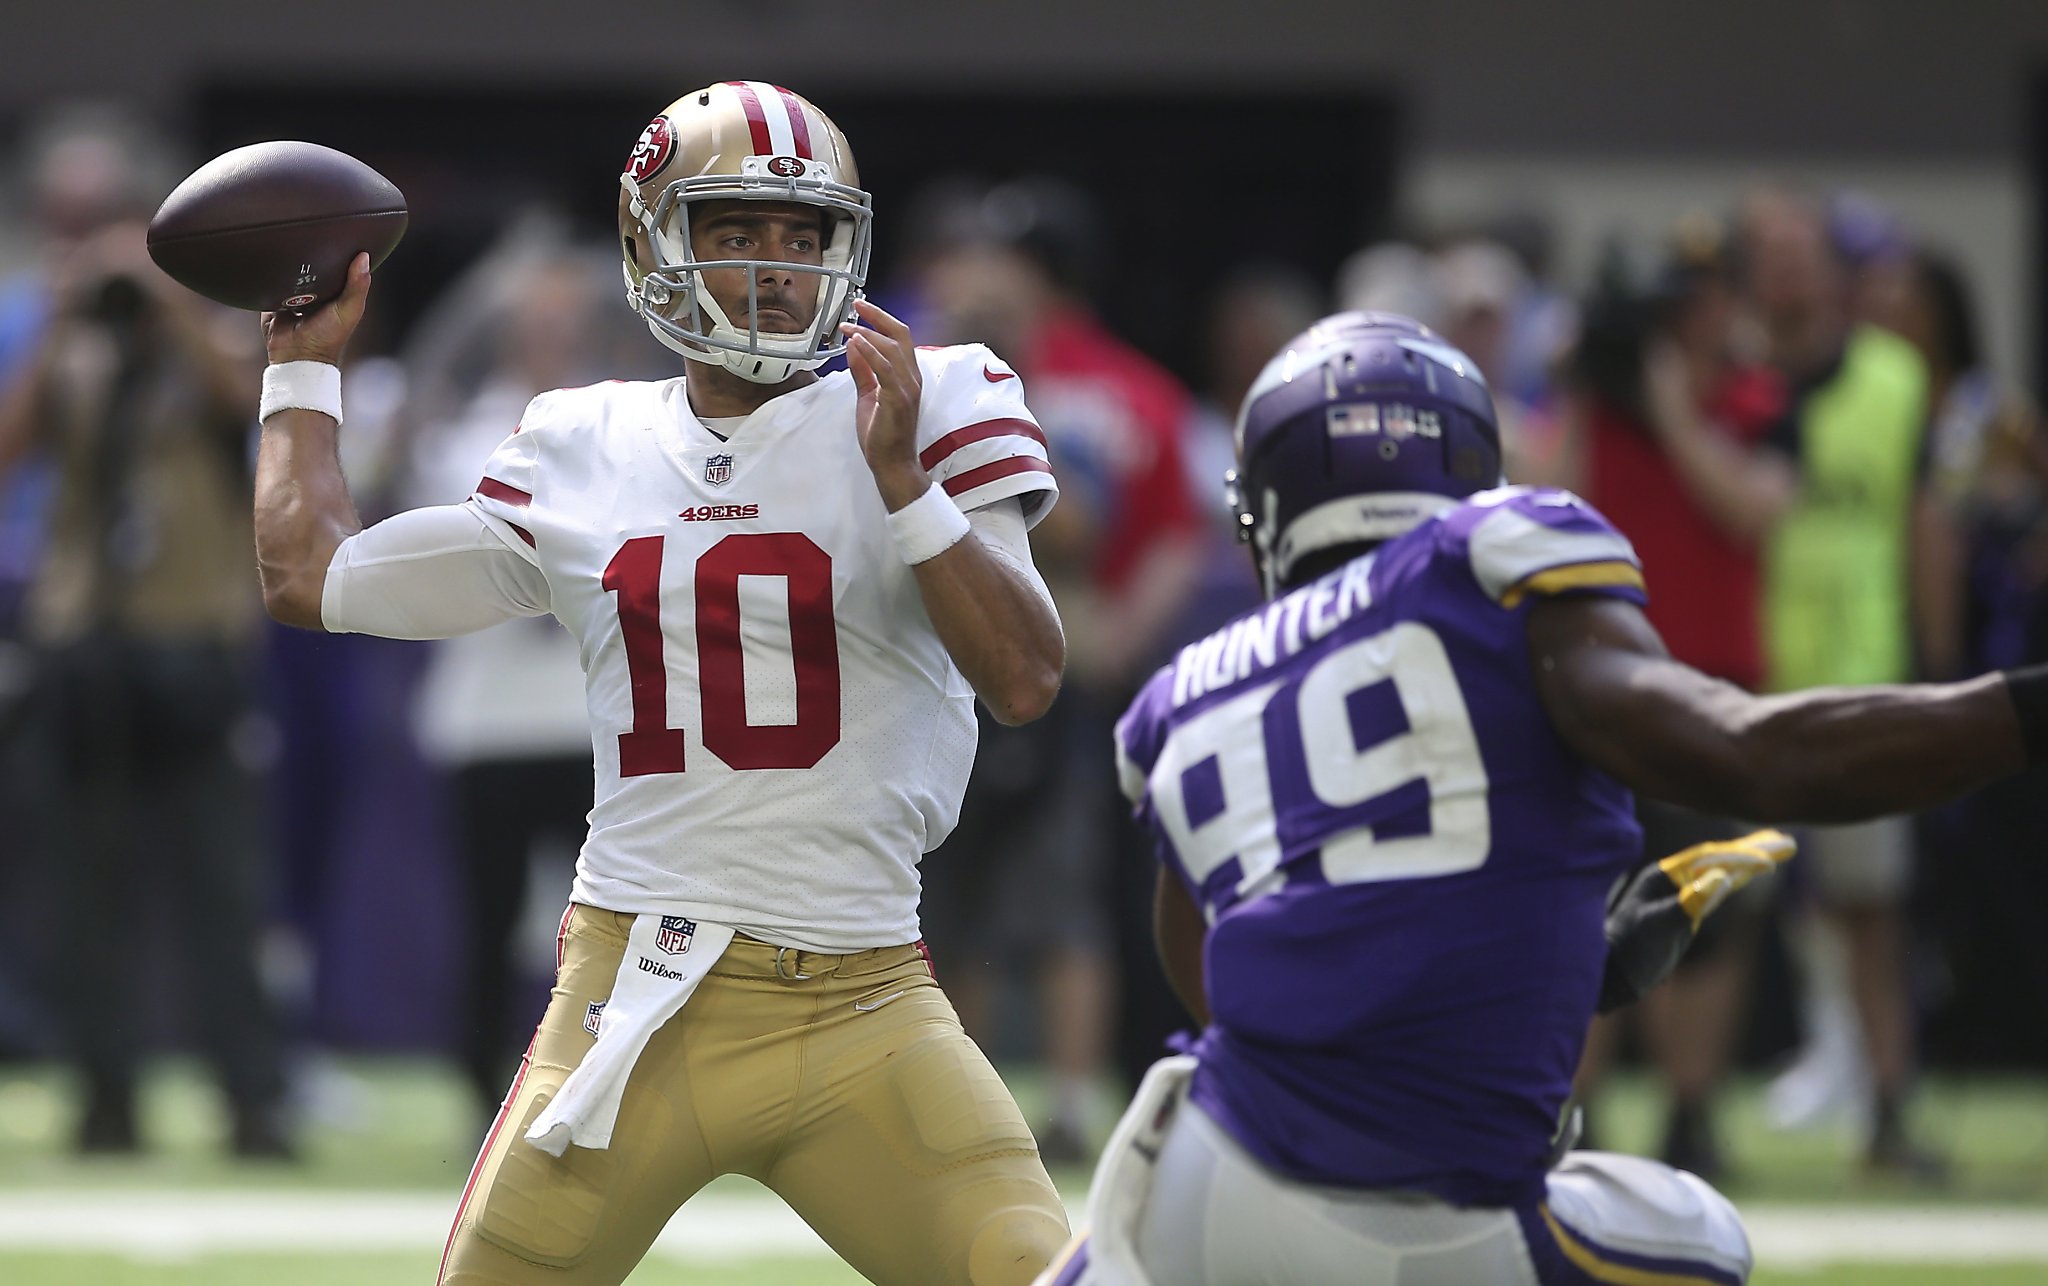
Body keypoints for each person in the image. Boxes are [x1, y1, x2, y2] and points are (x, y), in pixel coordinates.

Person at [251, 83, 1071, 1284]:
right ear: (649, 240)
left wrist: (905, 486)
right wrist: (301, 372)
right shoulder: (582, 440)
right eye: (734, 229)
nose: (774, 268)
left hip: (864, 1000)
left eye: (805, 236)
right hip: (631, 996)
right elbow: (314, 574)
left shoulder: (932, 396)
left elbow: (1024, 674)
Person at [1043, 311, 2048, 1285]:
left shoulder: (1187, 688)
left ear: (1265, 499)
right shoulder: (1489, 562)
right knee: (1701, 1236)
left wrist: (1556, 957)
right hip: (1439, 1229)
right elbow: (1751, 753)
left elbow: (1224, 982)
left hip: (1201, 1186)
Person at [0, 109, 292, 1157]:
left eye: (105, 218)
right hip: (85, 636)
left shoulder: (206, 322)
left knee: (221, 883)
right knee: (85, 885)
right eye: (70, 220)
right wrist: (59, 322)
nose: (90, 237)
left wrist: (164, 299)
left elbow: (248, 406)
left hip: (192, 636)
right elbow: (11, 454)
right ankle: (104, 1097)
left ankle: (251, 1099)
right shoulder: (61, 337)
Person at [1653, 189, 1946, 1172]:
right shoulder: (1719, 383)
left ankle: (1888, 1111)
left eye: (1798, 253)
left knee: (1869, 911)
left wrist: (1934, 663)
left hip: (1856, 676)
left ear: (1828, 267)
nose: (1784, 272)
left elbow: (1918, 518)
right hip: (1733, 679)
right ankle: (1691, 1115)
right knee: (1717, 909)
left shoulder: (1891, 377)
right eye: (1765, 255)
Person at [915, 178, 1207, 1155]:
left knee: (1059, 897)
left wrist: (1122, 630)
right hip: (944, 652)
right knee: (958, 900)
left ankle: (1074, 1101)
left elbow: (1101, 522)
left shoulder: (1084, 387)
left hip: (1055, 654)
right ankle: (973, 1093)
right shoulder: (905, 373)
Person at [1563, 224, 1788, 1179]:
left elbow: (1754, 509)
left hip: (1709, 683)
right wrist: (1587, 387)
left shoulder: (1752, 401)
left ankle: (1691, 1110)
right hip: (1602, 677)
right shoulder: (1596, 404)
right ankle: (1578, 1109)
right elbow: (1543, 491)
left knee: (1711, 906)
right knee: (1586, 900)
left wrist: (1671, 409)